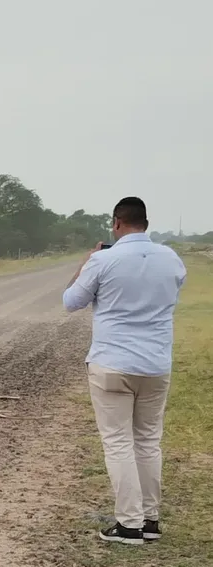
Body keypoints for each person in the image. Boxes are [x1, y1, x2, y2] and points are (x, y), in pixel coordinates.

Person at [62, 196, 187, 545]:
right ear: (145, 223)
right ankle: (150, 519)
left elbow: (70, 302)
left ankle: (128, 524)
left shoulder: (104, 259)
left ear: (117, 223)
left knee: (118, 443)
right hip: (156, 364)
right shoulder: (172, 259)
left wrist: (88, 261)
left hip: (112, 364)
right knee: (148, 441)